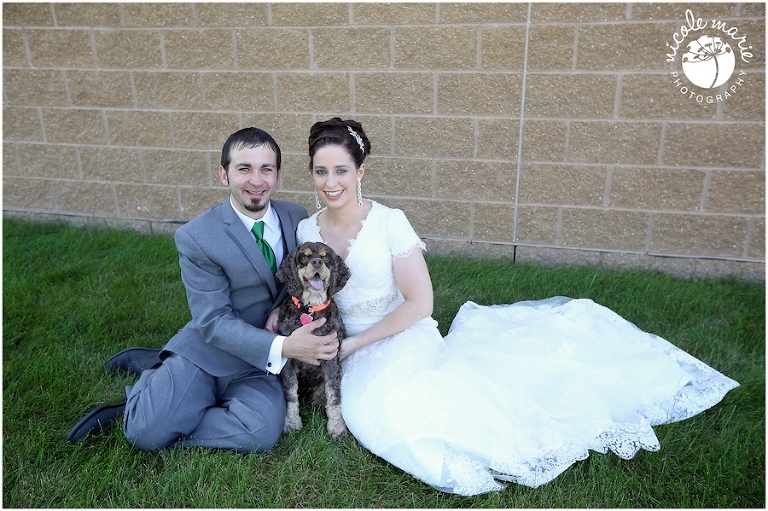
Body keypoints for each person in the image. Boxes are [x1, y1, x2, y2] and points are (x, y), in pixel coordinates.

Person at [295, 117, 740, 495]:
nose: (330, 183)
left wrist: (353, 347)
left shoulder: (389, 222)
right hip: (336, 343)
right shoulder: (304, 231)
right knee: (358, 411)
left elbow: (421, 304)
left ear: (361, 171)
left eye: (341, 171)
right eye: (320, 172)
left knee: (392, 416)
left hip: (395, 335)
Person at [67, 127, 340, 452]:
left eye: (266, 169)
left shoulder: (295, 216)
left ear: (278, 175)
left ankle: (170, 403)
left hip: (260, 367)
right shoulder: (196, 236)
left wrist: (283, 308)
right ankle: (139, 407)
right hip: (211, 351)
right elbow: (212, 322)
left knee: (262, 433)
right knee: (145, 433)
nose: (256, 180)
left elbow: (297, 277)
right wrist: (285, 346)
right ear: (223, 175)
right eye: (244, 169)